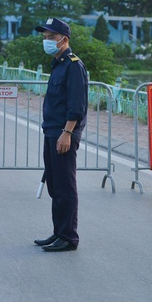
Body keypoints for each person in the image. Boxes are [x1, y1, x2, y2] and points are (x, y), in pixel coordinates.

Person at [33, 17, 88, 252]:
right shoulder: (58, 63)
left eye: (51, 37)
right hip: (52, 130)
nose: (47, 41)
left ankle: (68, 236)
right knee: (55, 186)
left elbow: (77, 104)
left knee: (65, 186)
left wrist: (67, 132)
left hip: (64, 133)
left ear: (64, 39)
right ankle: (58, 232)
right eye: (45, 37)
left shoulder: (74, 65)